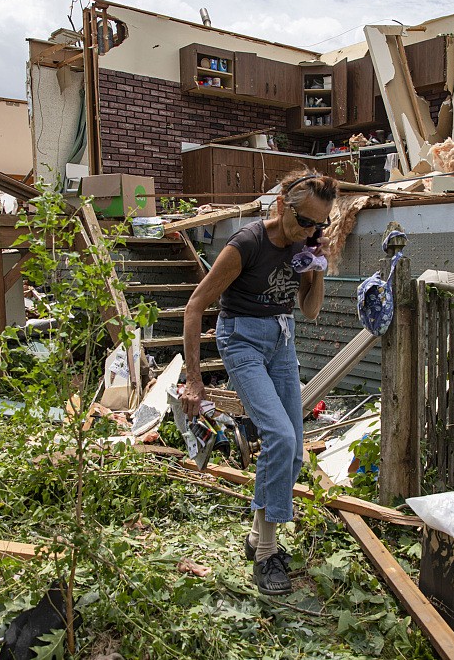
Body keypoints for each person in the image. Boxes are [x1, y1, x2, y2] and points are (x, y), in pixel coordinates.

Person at [181, 170, 337, 595]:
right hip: (242, 340)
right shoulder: (246, 244)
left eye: (320, 224)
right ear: (283, 204)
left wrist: (318, 266)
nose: (311, 230)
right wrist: (194, 380)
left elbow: (309, 311)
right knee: (280, 437)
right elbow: (194, 308)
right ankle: (267, 554)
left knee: (294, 450)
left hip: (282, 338)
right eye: (306, 221)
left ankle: (256, 538)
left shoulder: (305, 246)